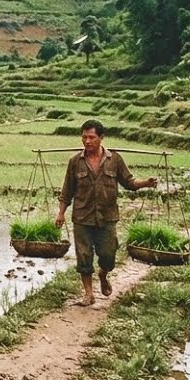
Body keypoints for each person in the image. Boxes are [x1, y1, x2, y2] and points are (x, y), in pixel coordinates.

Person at [55, 119, 157, 307]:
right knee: (84, 256)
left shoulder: (114, 160)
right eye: (84, 137)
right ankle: (88, 294)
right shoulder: (75, 162)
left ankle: (103, 274)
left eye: (91, 137)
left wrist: (146, 183)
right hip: (82, 217)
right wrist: (61, 213)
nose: (87, 141)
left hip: (107, 217)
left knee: (108, 254)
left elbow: (129, 182)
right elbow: (66, 191)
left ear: (101, 137)